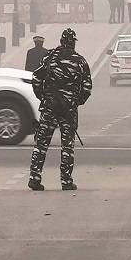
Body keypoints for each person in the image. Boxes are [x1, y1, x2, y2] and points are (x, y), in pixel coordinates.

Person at [29, 28, 93, 191]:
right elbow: (87, 87)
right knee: (67, 146)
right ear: (73, 42)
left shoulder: (49, 57)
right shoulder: (80, 61)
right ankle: (66, 181)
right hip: (68, 110)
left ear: (61, 41)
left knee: (41, 143)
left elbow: (36, 78)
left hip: (49, 106)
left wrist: (43, 97)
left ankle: (34, 178)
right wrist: (76, 101)